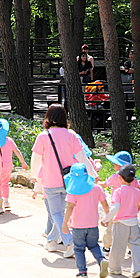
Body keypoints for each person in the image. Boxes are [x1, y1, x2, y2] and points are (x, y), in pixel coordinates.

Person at [31, 103, 98, 255]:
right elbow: (83, 158)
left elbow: (36, 159)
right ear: (64, 117)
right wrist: (92, 173)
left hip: (50, 180)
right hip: (69, 181)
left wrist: (34, 175)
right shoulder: (72, 135)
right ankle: (52, 241)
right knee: (61, 213)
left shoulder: (43, 136)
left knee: (56, 214)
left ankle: (70, 242)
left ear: (48, 117)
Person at [62, 163, 110, 278]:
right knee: (93, 245)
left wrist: (65, 223)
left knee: (79, 249)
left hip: (78, 226)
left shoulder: (73, 191)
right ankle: (102, 260)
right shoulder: (96, 188)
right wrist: (108, 217)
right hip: (93, 225)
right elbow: (105, 204)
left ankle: (83, 272)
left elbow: (70, 207)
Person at [101, 164, 140, 278]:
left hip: (121, 223)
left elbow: (115, 207)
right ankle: (138, 269)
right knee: (137, 246)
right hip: (134, 223)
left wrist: (106, 219)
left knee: (118, 246)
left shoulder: (118, 192)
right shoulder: (137, 191)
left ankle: (115, 268)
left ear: (120, 178)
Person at [100, 151, 139, 252]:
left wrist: (97, 182)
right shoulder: (134, 179)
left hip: (116, 207)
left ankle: (107, 246)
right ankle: (131, 248)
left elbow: (105, 184)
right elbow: (138, 190)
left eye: (115, 162)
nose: (113, 164)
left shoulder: (115, 177)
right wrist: (137, 204)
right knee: (129, 228)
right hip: (130, 207)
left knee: (110, 226)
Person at [0, 119, 28, 213]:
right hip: (8, 167)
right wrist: (23, 162)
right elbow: (17, 151)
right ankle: (6, 202)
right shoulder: (9, 140)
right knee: (5, 184)